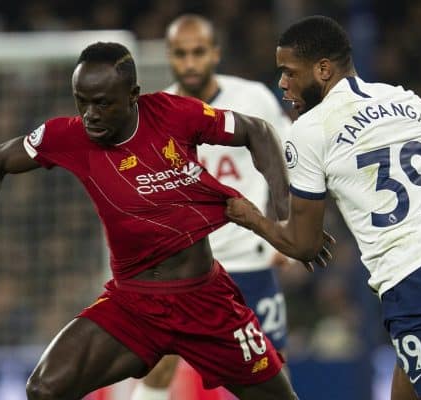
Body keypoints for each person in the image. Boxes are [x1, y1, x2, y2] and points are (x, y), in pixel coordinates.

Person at [0, 41, 313, 400]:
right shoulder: (69, 136)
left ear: (133, 95)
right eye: (82, 101)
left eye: (103, 103)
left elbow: (258, 131)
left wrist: (285, 212)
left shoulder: (174, 113)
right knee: (44, 389)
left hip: (206, 304)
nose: (90, 113)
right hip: (134, 306)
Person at [226, 16, 421, 400]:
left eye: (288, 72)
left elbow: (303, 245)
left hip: (417, 282)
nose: (283, 84)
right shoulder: (400, 97)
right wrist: (400, 138)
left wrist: (250, 217)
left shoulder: (310, 129)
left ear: (322, 69)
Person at [131, 14, 293, 400]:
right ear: (168, 56)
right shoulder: (153, 117)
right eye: (181, 54)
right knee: (160, 361)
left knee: (272, 366)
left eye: (198, 52)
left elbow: (288, 160)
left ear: (215, 53)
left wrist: (284, 228)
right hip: (190, 267)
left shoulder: (253, 99)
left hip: (249, 259)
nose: (190, 63)